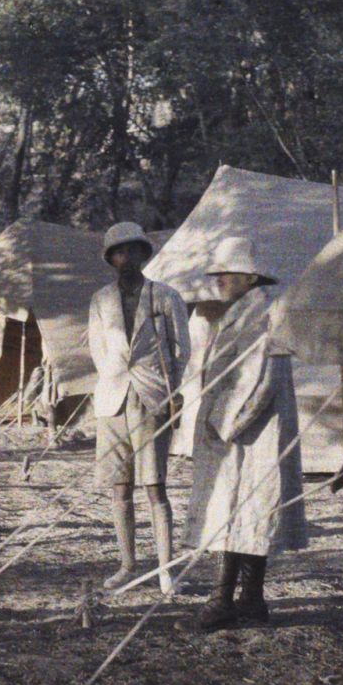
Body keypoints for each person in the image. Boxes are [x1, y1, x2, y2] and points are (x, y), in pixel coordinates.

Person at [185, 235, 306, 632]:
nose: (218, 279)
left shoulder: (262, 315)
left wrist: (223, 423)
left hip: (250, 430)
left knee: (242, 513)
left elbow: (258, 381)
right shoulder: (242, 312)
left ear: (250, 277)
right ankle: (250, 600)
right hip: (245, 431)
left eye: (226, 273)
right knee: (245, 513)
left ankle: (225, 600)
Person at [87, 221, 191, 593]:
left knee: (155, 487)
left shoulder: (165, 296)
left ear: (143, 254)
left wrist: (171, 391)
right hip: (112, 400)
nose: (125, 257)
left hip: (152, 397)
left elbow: (181, 350)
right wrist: (116, 379)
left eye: (132, 250)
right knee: (120, 487)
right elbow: (98, 349)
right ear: (111, 259)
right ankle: (128, 565)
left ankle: (166, 570)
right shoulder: (100, 300)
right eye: (118, 252)